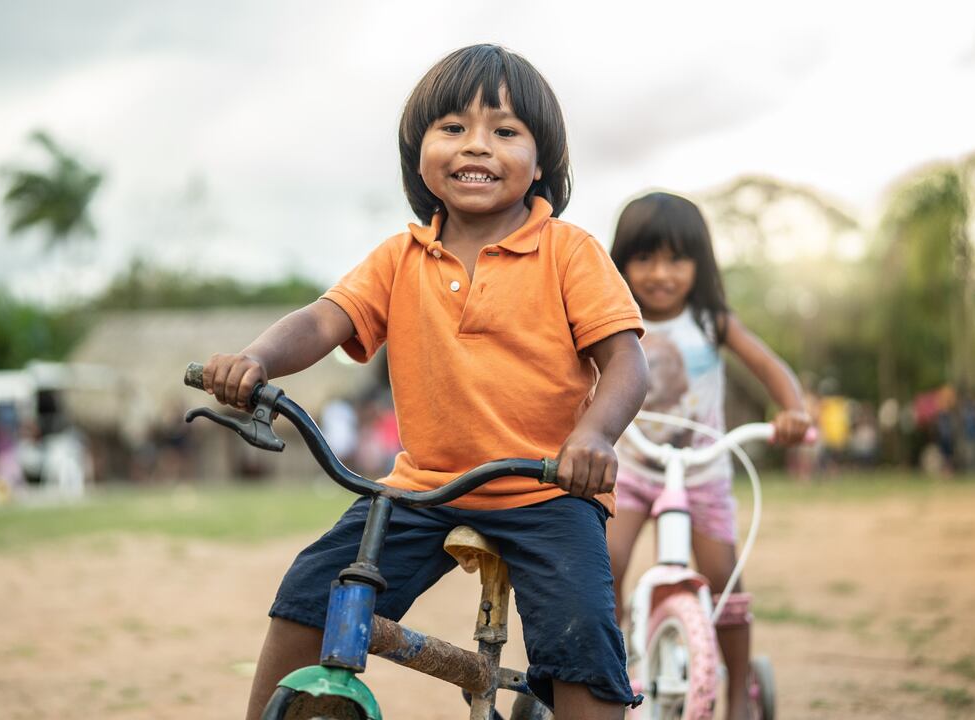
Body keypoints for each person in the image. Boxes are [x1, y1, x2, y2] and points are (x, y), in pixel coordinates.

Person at [200, 44, 648, 720]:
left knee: (581, 636)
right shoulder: (400, 257)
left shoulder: (568, 251)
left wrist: (594, 435)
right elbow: (327, 320)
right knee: (312, 592)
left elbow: (626, 363)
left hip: (548, 486)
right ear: (419, 151)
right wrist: (257, 359)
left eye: (504, 131)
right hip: (425, 487)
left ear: (541, 160)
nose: (477, 146)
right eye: (453, 128)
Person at [605, 191, 810, 720]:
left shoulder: (712, 320)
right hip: (631, 469)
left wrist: (793, 410)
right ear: (621, 261)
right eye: (644, 258)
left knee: (724, 580)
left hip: (702, 472)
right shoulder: (613, 319)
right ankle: (607, 668)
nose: (660, 273)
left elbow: (770, 367)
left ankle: (739, 689)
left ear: (700, 263)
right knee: (607, 561)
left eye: (677, 258)